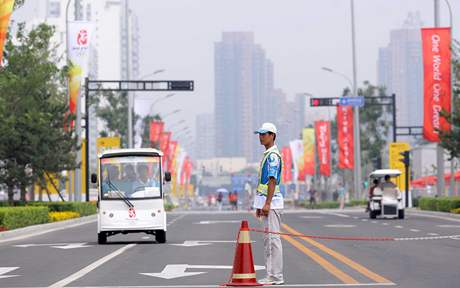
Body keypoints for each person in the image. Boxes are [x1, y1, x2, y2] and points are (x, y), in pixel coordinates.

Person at [253, 122, 284, 285]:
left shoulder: (272, 156)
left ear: (272, 135)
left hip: (272, 204)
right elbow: (263, 184)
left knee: (273, 240)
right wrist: (260, 204)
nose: (261, 136)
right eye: (260, 134)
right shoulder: (267, 154)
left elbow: (272, 181)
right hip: (267, 203)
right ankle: (271, 274)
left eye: (264, 134)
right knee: (268, 241)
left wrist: (267, 203)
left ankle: (276, 276)